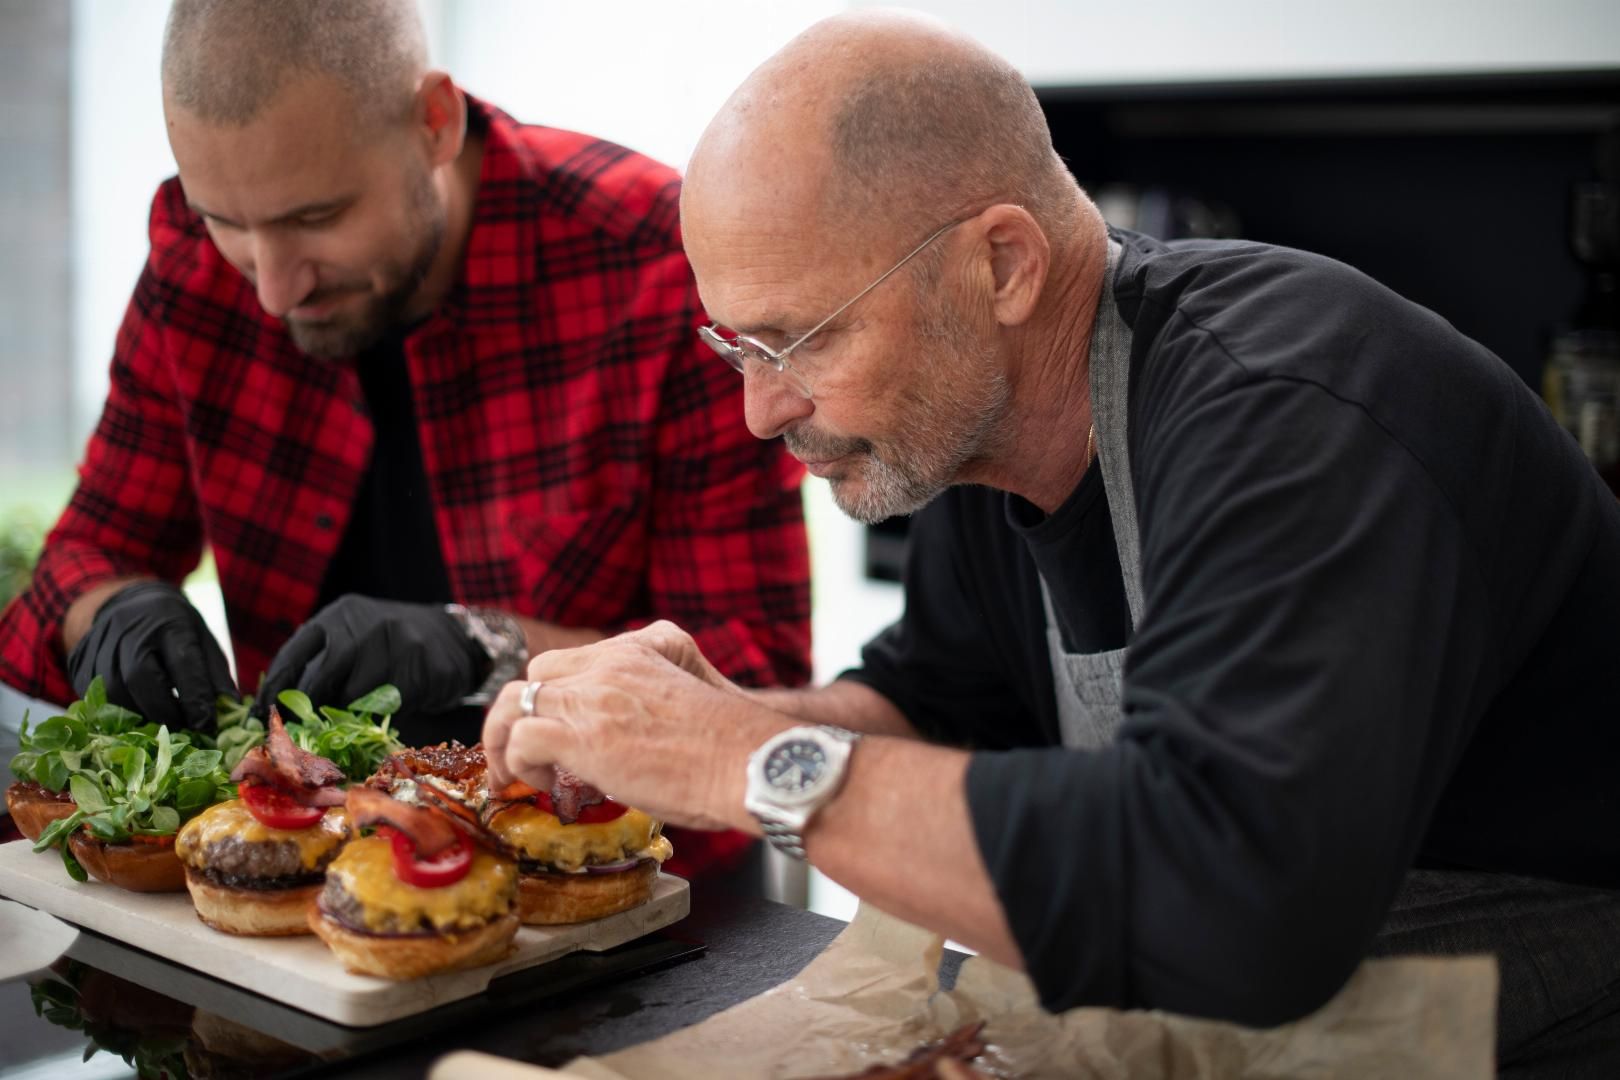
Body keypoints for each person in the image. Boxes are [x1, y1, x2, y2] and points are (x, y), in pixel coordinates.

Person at [480, 10, 1620, 1070]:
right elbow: (935, 709)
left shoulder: (1291, 407)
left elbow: (1231, 896)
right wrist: (714, 727)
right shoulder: (968, 436)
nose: (760, 411)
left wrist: (737, 761)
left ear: (1004, 266)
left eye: (801, 341)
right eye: (739, 348)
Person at [0, 0, 811, 884]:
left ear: (434, 124)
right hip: (306, 877)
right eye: (229, 221)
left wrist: (489, 646)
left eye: (316, 217)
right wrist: (108, 611)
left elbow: (757, 677)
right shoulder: (194, 263)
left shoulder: (655, 262)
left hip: (621, 890)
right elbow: (82, 560)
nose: (272, 286)